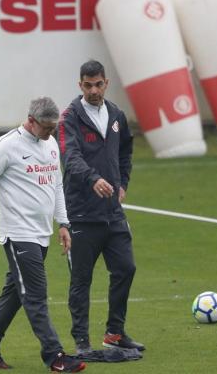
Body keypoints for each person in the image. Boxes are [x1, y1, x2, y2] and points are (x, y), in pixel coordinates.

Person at [0, 97, 86, 372]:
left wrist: (63, 223)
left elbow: (57, 184)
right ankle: (55, 356)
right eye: (46, 128)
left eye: (53, 128)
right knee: (35, 295)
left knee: (14, 294)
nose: (50, 134)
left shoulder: (49, 144)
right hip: (17, 234)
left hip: (41, 233)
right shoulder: (7, 145)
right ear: (32, 121)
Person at [57, 60, 145, 354]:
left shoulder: (117, 114)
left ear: (106, 83)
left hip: (112, 214)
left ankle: (115, 333)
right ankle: (82, 342)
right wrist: (93, 178)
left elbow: (125, 152)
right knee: (81, 280)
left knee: (126, 269)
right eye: (87, 85)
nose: (94, 90)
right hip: (81, 213)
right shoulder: (69, 117)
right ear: (79, 85)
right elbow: (70, 158)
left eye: (98, 84)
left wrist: (123, 183)